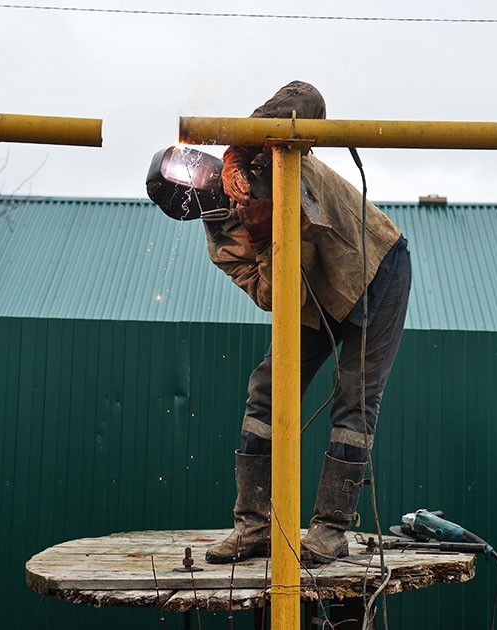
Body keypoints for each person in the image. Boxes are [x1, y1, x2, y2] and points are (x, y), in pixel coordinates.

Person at [201, 81, 411, 566]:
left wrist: (239, 149)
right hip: (313, 293)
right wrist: (263, 235)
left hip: (374, 264)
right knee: (267, 389)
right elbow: (272, 297)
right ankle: (253, 526)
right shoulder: (223, 242)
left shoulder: (269, 149)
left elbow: (307, 96)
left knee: (355, 397)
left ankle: (331, 529)